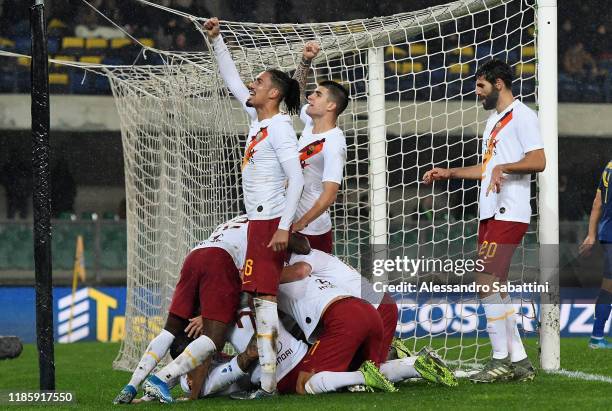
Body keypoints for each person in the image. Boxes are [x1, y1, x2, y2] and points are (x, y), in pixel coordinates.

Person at [423, 59, 546, 383]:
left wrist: (502, 169)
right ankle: (519, 361)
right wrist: (449, 173)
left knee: (484, 281)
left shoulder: (523, 116)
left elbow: (538, 160)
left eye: (481, 86)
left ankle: (499, 360)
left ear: (499, 84)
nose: (477, 92)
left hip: (510, 210)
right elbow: (487, 167)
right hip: (490, 210)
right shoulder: (494, 121)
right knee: (496, 288)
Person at [203, 17, 305, 398]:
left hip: (269, 224)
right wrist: (217, 41)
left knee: (264, 303)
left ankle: (268, 383)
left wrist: (283, 227)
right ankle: (266, 379)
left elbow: (295, 178)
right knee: (260, 302)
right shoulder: (258, 121)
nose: (252, 85)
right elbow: (232, 83)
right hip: (257, 223)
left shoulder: (279, 128)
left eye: (259, 82)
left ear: (274, 93)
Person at [113, 215, 248, 404]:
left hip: (195, 254)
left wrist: (206, 314)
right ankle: (159, 380)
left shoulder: (237, 220)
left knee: (168, 331)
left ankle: (131, 386)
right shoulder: (267, 221)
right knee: (213, 340)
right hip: (220, 259)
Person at [291, 45, 350, 253]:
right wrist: (305, 61)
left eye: (318, 94)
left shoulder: (334, 143)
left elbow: (330, 194)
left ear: (331, 106)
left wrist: (301, 223)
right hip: (290, 220)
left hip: (312, 230)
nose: (310, 97)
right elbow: (293, 98)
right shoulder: (310, 123)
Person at [579, 160, 612, 349]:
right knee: (608, 287)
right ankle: (597, 337)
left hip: (607, 232)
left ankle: (597, 336)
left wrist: (592, 235)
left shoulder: (608, 166)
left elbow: (597, 203)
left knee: (608, 287)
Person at [1, 149, 30, 219]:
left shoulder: (21, 166)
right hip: (15, 192)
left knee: (19, 213)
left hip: (18, 192)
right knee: (14, 212)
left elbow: (28, 178)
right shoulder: (9, 167)